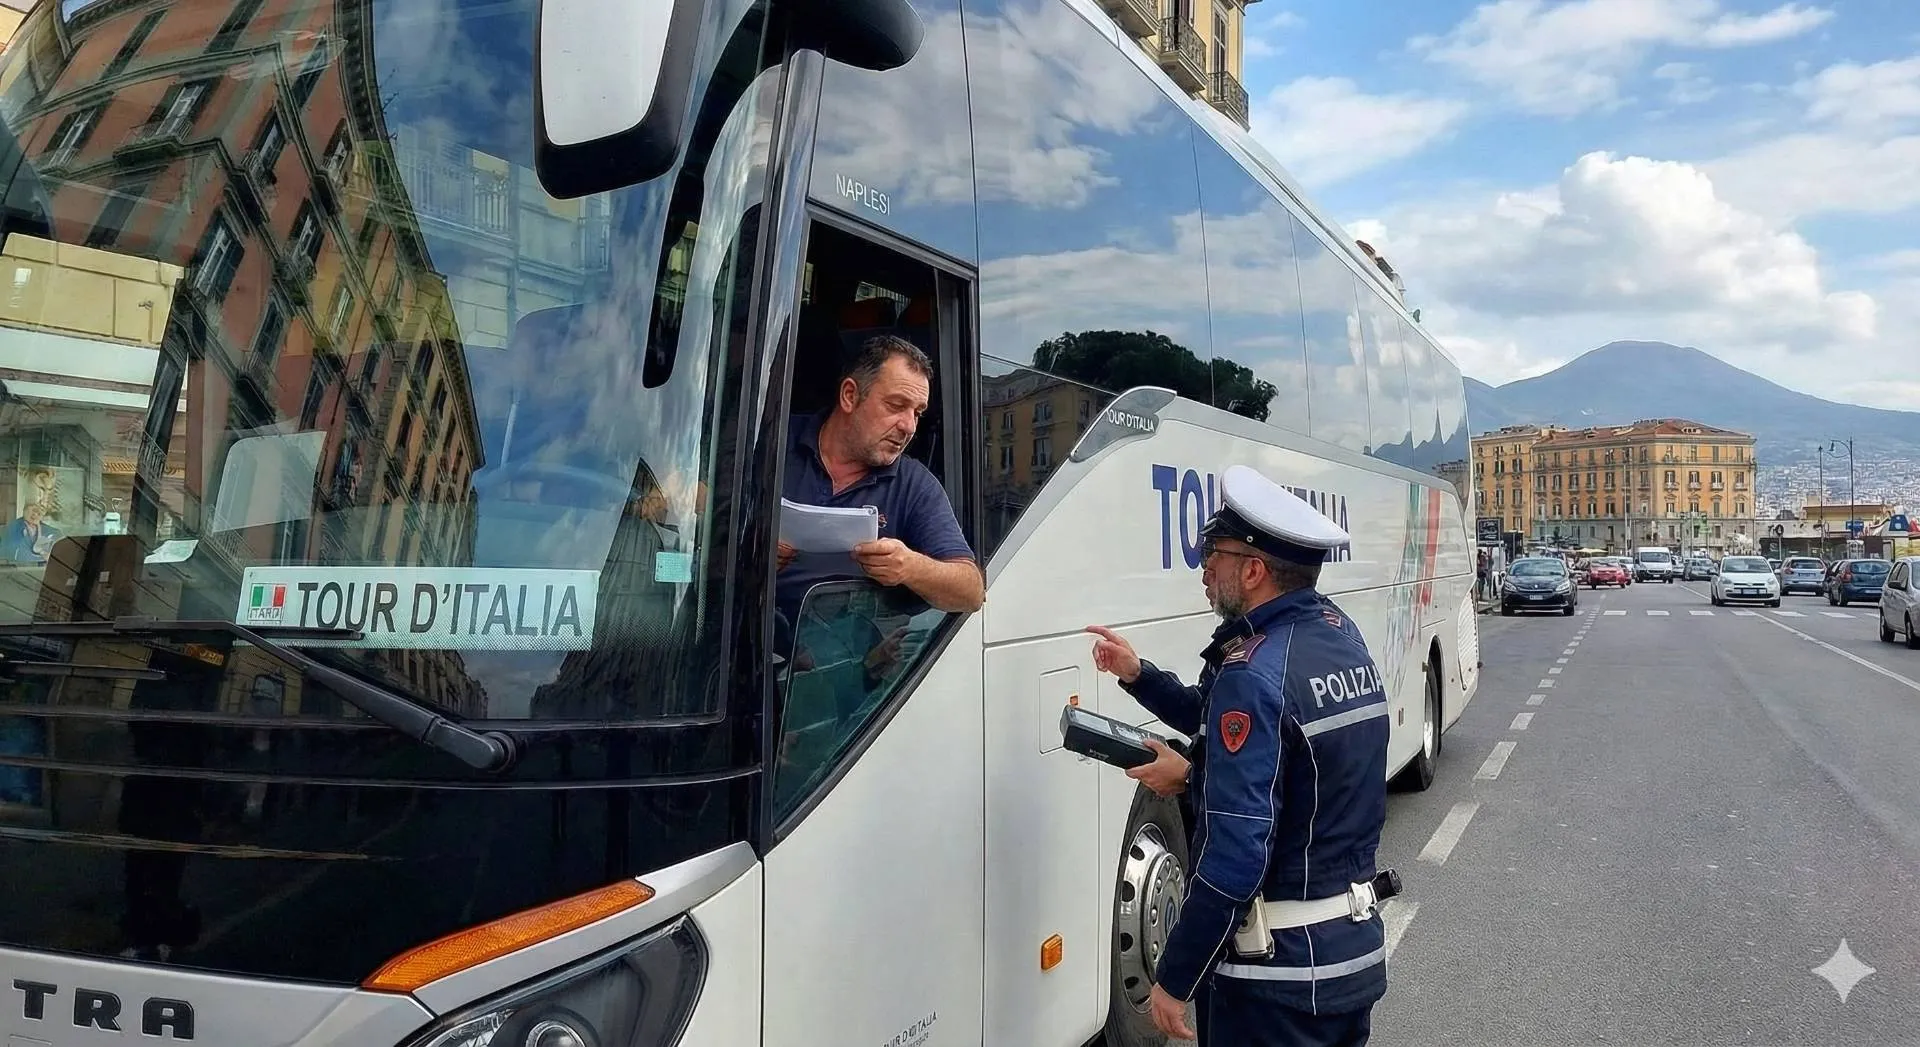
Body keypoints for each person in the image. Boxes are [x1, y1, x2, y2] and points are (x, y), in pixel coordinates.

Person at [1086, 464, 1393, 1047]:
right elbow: (1296, 769)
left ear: (1253, 570)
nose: (1203, 568)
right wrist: (1137, 675)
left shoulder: (1251, 672)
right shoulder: (1337, 635)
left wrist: (1176, 978)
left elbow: (1235, 856)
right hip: (1349, 954)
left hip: (1275, 982)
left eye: (1213, 553)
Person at [776, 334, 983, 622]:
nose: (909, 426)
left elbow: (971, 592)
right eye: (896, 406)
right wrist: (750, 552)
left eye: (917, 413)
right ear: (850, 396)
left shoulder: (914, 484)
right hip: (744, 640)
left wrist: (910, 566)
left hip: (849, 653)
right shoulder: (772, 443)